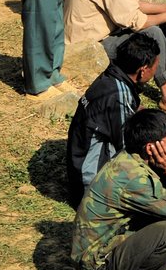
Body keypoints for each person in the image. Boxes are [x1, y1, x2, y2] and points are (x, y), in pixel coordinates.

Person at [71, 109, 166, 270]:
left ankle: (145, 269)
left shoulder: (131, 159)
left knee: (160, 216)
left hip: (98, 254)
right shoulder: (133, 178)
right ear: (151, 148)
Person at [65, 32, 159, 205]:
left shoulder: (110, 77)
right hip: (91, 189)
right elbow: (127, 148)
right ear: (143, 70)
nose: (155, 73)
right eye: (155, 68)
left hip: (78, 169)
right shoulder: (118, 95)